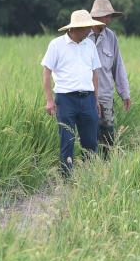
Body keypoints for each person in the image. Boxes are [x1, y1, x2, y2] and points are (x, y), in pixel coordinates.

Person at [41, 9, 105, 176]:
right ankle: (67, 180)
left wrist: (96, 100)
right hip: (65, 100)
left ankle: (90, 176)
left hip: (88, 99)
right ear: (76, 28)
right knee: (67, 140)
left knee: (90, 141)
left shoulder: (90, 45)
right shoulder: (56, 45)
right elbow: (46, 72)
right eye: (87, 28)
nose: (90, 31)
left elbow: (94, 74)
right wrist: (49, 100)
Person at [89, 0, 131, 156]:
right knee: (89, 134)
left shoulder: (111, 37)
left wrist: (124, 93)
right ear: (96, 16)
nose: (109, 19)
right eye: (106, 16)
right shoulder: (84, 36)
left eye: (109, 16)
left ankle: (106, 167)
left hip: (106, 94)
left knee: (108, 134)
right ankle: (88, 166)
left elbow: (117, 66)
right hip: (87, 95)